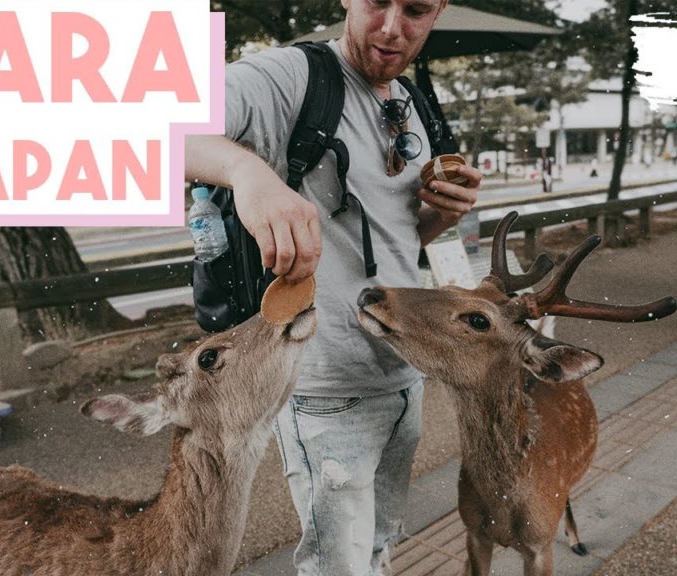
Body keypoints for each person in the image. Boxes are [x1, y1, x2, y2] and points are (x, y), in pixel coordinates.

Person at [182, 1, 481, 574]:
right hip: (325, 387)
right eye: (377, 2)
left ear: (440, 8)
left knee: (374, 547)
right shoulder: (290, 78)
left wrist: (443, 215)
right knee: (337, 564)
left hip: (403, 375)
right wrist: (247, 173)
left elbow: (395, 240)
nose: (393, 27)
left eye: (416, 9)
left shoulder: (409, 102)